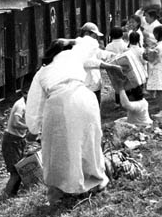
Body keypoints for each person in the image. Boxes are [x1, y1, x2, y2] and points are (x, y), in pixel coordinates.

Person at [25, 39, 109, 205]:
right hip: (86, 98)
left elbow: (35, 103)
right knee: (89, 143)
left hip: (62, 103)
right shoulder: (75, 55)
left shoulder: (43, 71)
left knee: (60, 150)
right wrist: (71, 41)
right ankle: (96, 182)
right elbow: (91, 44)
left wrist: (33, 129)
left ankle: (65, 190)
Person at [75, 22, 123, 104]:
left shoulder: (91, 46)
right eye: (94, 36)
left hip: (95, 83)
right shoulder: (78, 47)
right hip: (86, 85)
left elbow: (99, 53)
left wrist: (112, 55)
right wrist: (108, 66)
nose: (96, 38)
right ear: (86, 34)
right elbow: (87, 62)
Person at [0, 90, 28, 199]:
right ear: (25, 94)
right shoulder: (20, 105)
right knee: (15, 172)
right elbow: (15, 123)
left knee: (19, 170)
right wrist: (29, 126)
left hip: (18, 139)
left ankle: (12, 195)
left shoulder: (26, 103)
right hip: (12, 140)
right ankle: (5, 197)